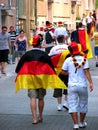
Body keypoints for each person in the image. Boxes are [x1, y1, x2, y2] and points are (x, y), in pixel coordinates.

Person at [15, 35, 67, 124]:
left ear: (33, 44)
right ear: (40, 44)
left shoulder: (27, 54)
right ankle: (40, 116)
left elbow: (18, 68)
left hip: (31, 80)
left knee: (32, 98)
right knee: (41, 98)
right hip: (41, 80)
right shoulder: (44, 54)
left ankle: (34, 118)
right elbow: (51, 66)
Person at [61, 42, 93, 130]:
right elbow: (86, 71)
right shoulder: (84, 59)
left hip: (72, 86)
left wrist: (68, 73)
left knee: (72, 104)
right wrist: (91, 83)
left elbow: (62, 72)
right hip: (82, 85)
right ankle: (82, 122)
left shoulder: (68, 60)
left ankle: (75, 124)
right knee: (83, 104)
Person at [49, 35, 69, 111]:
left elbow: (50, 58)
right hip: (66, 71)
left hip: (57, 71)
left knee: (58, 87)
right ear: (64, 39)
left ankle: (59, 105)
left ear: (57, 40)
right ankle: (66, 102)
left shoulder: (54, 48)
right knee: (67, 86)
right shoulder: (67, 47)